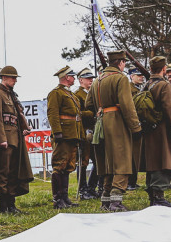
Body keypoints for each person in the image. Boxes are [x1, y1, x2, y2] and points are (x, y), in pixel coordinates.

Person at [84, 50, 142, 212]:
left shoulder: (97, 81)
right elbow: (127, 105)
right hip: (117, 123)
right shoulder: (120, 78)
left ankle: (105, 200)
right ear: (121, 63)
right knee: (122, 163)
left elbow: (88, 104)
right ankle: (116, 202)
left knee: (107, 164)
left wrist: (101, 109)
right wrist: (135, 127)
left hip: (101, 124)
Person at [141, 57, 171, 207]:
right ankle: (159, 197)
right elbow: (170, 111)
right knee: (164, 162)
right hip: (163, 130)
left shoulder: (147, 84)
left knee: (153, 163)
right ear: (164, 69)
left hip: (149, 130)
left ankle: (153, 196)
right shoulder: (164, 85)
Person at [0, 65, 33, 214]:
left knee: (13, 173)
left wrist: (23, 128)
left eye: (15, 78)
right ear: (4, 78)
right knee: (3, 173)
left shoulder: (11, 95)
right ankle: (2, 207)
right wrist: (1, 138)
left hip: (15, 138)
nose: (15, 80)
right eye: (12, 77)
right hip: (5, 139)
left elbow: (15, 117)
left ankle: (11, 205)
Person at [46, 65, 86, 209]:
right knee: (59, 166)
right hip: (63, 135)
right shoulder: (56, 93)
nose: (74, 78)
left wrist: (80, 135)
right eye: (72, 76)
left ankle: (64, 197)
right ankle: (58, 199)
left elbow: (77, 117)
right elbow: (52, 113)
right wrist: (57, 132)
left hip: (72, 135)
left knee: (68, 166)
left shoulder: (71, 94)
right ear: (66, 77)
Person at [74, 68, 100, 199]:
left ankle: (91, 187)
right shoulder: (77, 95)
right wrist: (93, 113)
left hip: (94, 131)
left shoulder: (93, 93)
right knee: (83, 162)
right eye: (88, 78)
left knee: (97, 160)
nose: (91, 80)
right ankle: (83, 190)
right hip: (84, 132)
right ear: (80, 80)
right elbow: (77, 113)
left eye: (92, 78)